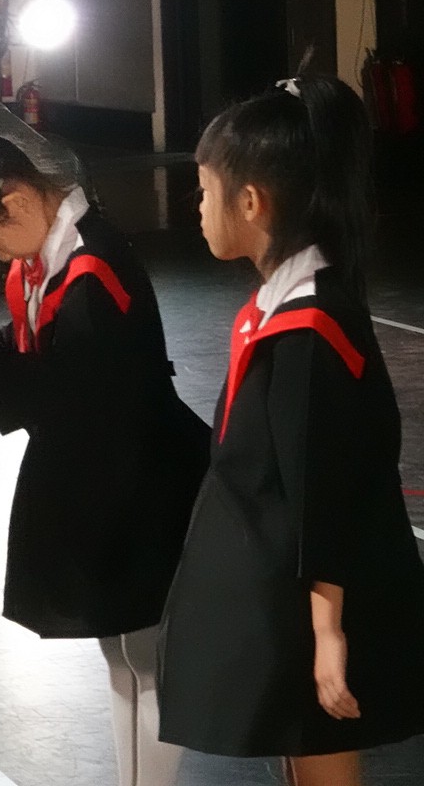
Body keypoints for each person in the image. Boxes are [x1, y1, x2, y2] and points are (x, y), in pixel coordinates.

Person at [0, 121, 208, 786]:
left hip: (141, 483)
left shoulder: (94, 267)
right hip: (106, 475)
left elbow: (82, 397)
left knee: (146, 657)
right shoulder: (48, 259)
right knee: (124, 655)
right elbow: (38, 367)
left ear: (18, 201)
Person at [157, 75, 424, 786]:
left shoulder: (310, 330)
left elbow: (323, 488)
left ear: (252, 202)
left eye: (205, 190)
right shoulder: (284, 307)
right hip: (289, 588)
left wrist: (328, 631)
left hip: (316, 596)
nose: (198, 206)